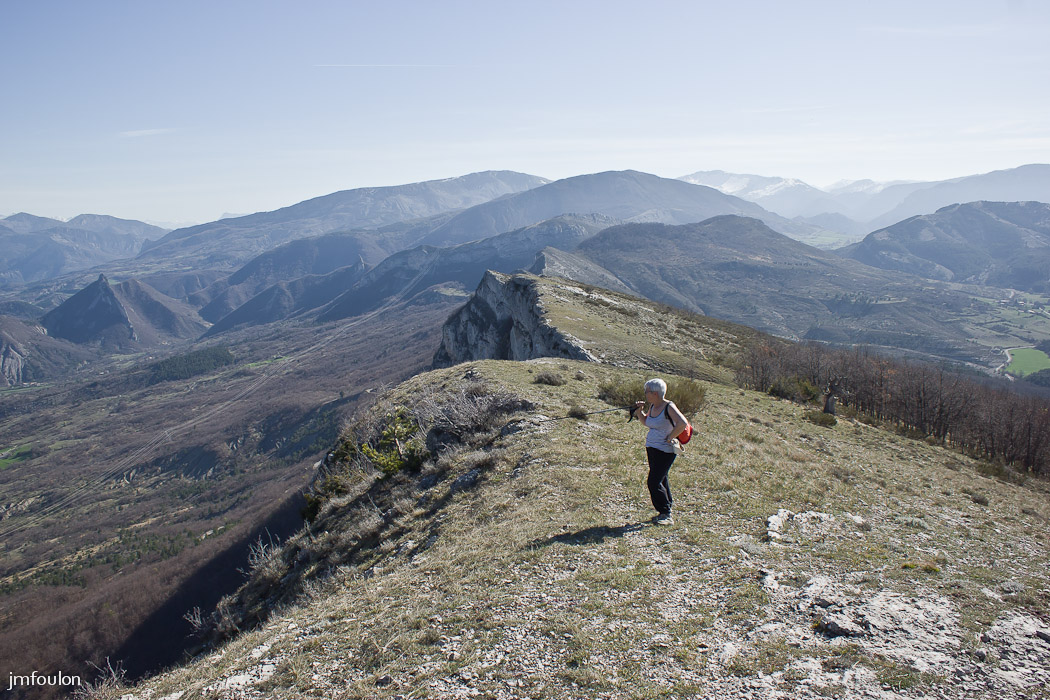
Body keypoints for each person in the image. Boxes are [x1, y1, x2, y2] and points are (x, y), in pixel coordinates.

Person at [633, 378, 688, 525]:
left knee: (653, 482)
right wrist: (640, 411)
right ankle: (666, 508)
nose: (645, 394)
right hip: (652, 449)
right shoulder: (653, 406)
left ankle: (665, 514)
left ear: (655, 393)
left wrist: (670, 436)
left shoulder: (668, 406)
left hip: (665, 451)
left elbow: (682, 423)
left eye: (647, 391)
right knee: (661, 479)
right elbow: (646, 422)